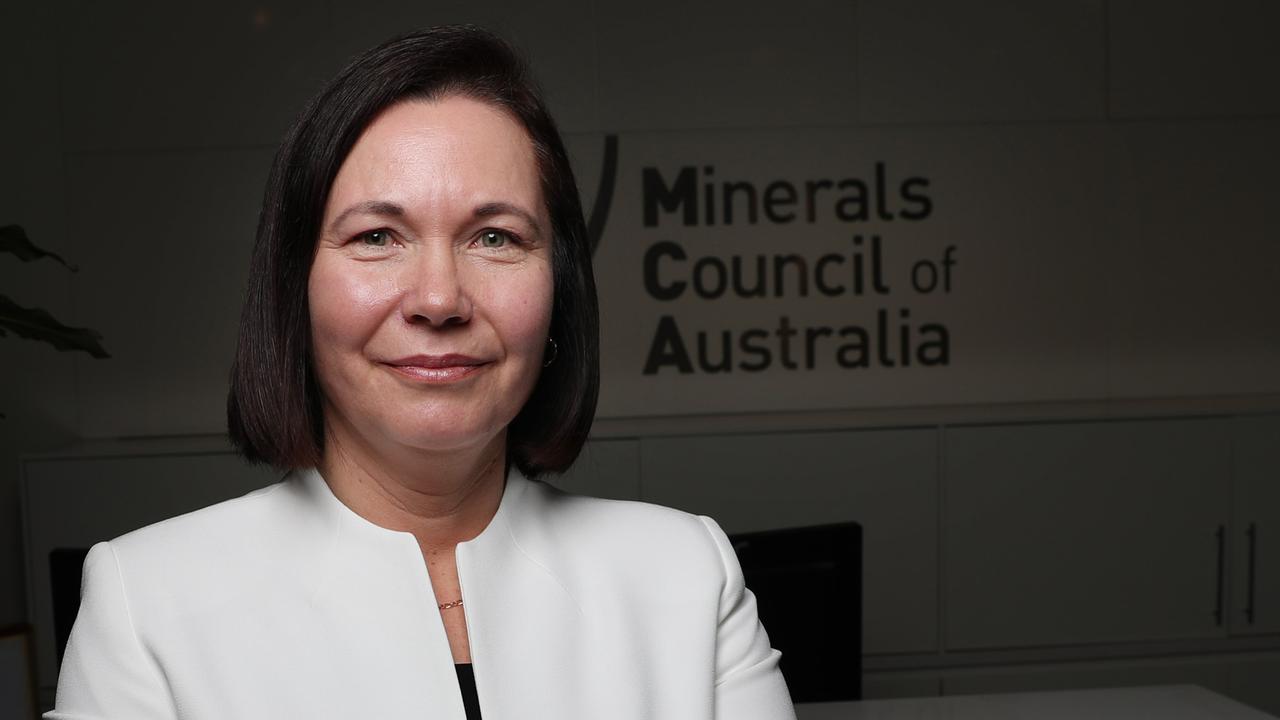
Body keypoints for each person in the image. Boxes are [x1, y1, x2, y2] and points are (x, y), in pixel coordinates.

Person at [46, 25, 796, 720]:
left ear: (557, 290)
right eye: (378, 235)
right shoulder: (145, 605)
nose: (440, 298)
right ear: (293, 288)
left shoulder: (688, 577)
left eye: (495, 237)